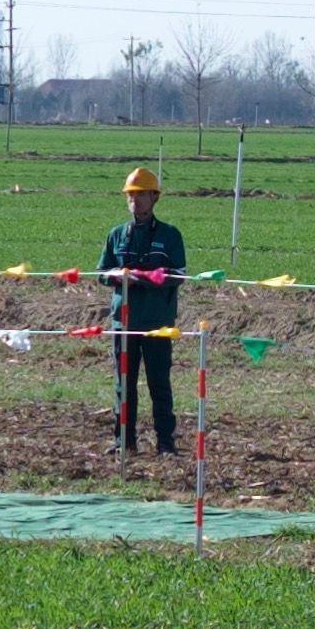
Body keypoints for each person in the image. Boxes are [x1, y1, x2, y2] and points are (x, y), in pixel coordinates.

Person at [102, 165, 182, 458]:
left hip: (157, 323)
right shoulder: (116, 235)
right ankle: (125, 441)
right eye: (131, 195)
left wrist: (149, 279)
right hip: (123, 323)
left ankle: (165, 443)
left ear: (154, 197)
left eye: (141, 194)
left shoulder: (170, 236)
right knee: (124, 384)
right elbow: (101, 272)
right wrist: (119, 276)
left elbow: (179, 274)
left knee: (159, 383)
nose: (135, 200)